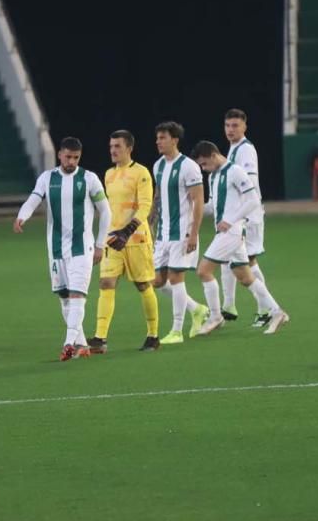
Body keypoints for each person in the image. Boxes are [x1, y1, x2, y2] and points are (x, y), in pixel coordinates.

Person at [14, 137, 112, 362]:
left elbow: (106, 212)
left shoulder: (89, 179)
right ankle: (82, 345)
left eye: (76, 157)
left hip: (82, 248)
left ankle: (68, 343)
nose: (71, 161)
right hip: (56, 249)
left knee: (78, 295)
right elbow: (33, 199)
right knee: (65, 297)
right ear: (59, 155)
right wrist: (22, 216)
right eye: (68, 157)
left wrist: (99, 245)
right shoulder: (47, 178)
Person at [192, 140, 289, 336]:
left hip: (232, 232)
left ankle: (216, 317)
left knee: (203, 271)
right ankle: (278, 312)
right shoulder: (213, 177)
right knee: (245, 277)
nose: (203, 169)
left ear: (213, 155)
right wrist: (192, 209)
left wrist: (231, 220)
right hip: (227, 232)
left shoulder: (235, 171)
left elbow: (252, 200)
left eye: (204, 164)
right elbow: (213, 205)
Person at [89, 129, 160, 353]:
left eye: (117, 146)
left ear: (129, 148)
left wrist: (127, 231)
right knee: (106, 283)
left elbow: (146, 206)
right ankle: (100, 339)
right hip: (113, 240)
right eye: (111, 147)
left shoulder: (141, 173)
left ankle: (153, 335)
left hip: (136, 239)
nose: (113, 150)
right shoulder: (109, 174)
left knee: (143, 285)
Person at [149, 121, 211, 345]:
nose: (158, 142)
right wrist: (150, 221)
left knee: (176, 278)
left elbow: (198, 201)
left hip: (182, 232)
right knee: (156, 281)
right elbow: (157, 197)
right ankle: (197, 309)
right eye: (157, 138)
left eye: (162, 138)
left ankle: (176, 330)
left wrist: (193, 234)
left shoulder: (189, 167)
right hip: (163, 234)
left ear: (174, 140)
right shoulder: (158, 166)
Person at [220, 108, 271, 328]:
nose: (231, 130)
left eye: (235, 126)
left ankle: (266, 309)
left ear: (244, 127)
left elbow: (248, 185)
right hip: (240, 215)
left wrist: (239, 214)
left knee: (246, 262)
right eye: (228, 126)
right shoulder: (233, 149)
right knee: (233, 259)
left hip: (248, 215)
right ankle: (229, 306)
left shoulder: (246, 150)